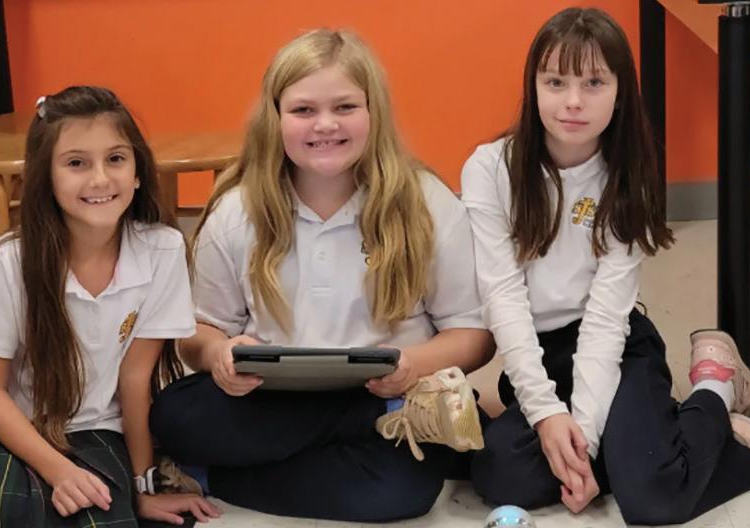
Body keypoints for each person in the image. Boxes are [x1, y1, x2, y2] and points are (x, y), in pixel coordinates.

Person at [149, 29, 493, 523]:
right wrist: (219, 353)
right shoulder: (236, 211)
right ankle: (354, 429)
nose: (325, 124)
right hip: (271, 398)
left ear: (374, 112)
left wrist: (413, 363)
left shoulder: (427, 204)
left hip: (392, 393)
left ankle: (212, 477)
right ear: (275, 118)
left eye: (345, 107)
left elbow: (474, 335)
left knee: (402, 493)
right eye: (303, 110)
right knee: (175, 415)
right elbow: (198, 333)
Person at [462, 7, 750, 525]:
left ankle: (715, 388)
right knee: (500, 475)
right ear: (533, 87)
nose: (573, 100)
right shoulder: (490, 169)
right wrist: (546, 413)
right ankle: (666, 438)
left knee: (653, 500)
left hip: (617, 347)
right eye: (555, 81)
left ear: (620, 92)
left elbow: (606, 320)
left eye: (594, 82)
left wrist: (582, 437)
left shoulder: (628, 178)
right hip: (539, 352)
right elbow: (503, 298)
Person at [0, 86, 220, 527]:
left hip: (92, 426)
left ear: (138, 171)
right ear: (46, 177)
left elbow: (135, 378)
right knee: (8, 513)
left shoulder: (163, 250)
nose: (100, 179)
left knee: (103, 519)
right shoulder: (11, 259)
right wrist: (58, 470)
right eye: (76, 163)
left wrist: (142, 487)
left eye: (116, 158)